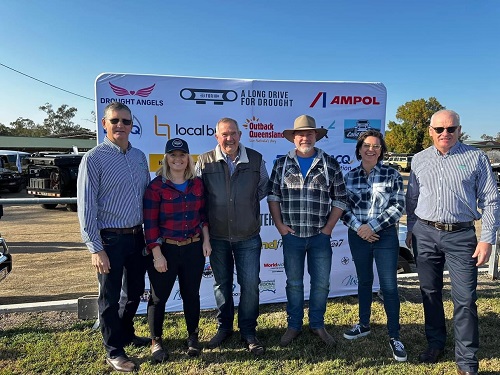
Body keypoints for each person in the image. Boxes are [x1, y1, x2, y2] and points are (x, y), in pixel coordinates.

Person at [405, 109, 500, 375]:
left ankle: (467, 361)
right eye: (439, 129)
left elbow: (491, 200)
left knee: (466, 299)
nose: (445, 134)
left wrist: (487, 239)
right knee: (430, 293)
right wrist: (411, 228)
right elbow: (412, 199)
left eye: (451, 129)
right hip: (425, 233)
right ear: (430, 131)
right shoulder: (419, 159)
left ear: (459, 130)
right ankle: (435, 343)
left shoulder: (475, 157)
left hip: (461, 236)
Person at [77, 102, 151, 373]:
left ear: (132, 126)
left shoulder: (139, 157)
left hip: (137, 236)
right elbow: (86, 208)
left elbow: (147, 197)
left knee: (133, 294)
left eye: (126, 121)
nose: (121, 125)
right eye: (115, 120)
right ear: (104, 124)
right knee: (109, 298)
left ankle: (126, 332)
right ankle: (114, 349)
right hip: (109, 240)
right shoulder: (93, 159)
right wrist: (96, 249)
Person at [267, 114, 347, 347]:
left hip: (319, 237)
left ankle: (317, 324)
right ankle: (293, 326)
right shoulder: (281, 164)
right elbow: (273, 196)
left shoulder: (329, 163)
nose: (305, 137)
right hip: (292, 237)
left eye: (309, 133)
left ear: (316, 136)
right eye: (301, 134)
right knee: (294, 283)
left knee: (321, 283)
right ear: (293, 138)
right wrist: (280, 227)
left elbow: (340, 198)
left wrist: (328, 229)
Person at [195, 117, 269, 355]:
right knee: (221, 285)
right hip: (216, 237)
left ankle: (248, 331)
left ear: (240, 134)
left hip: (248, 236)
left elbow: (263, 188)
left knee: (250, 285)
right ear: (217, 136)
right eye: (224, 134)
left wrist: (243, 205)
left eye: (233, 133)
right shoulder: (204, 161)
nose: (230, 138)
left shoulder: (256, 159)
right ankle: (224, 327)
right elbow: (198, 195)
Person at [143, 138, 212, 362]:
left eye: (182, 155)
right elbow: (150, 223)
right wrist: (157, 254)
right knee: (158, 298)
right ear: (166, 159)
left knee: (191, 295)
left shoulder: (198, 184)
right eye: (173, 155)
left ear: (188, 159)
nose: (178, 159)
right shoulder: (156, 187)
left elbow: (203, 216)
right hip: (166, 251)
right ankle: (156, 341)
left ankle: (192, 337)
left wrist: (206, 240)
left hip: (193, 248)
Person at [341, 130, 407, 362]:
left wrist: (373, 227)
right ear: (359, 149)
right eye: (367, 145)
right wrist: (361, 228)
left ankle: (394, 335)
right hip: (358, 235)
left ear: (382, 150)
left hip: (385, 236)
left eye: (376, 146)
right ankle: (364, 324)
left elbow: (398, 206)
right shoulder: (349, 177)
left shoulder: (392, 173)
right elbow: (343, 208)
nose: (371, 149)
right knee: (364, 281)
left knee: (389, 286)